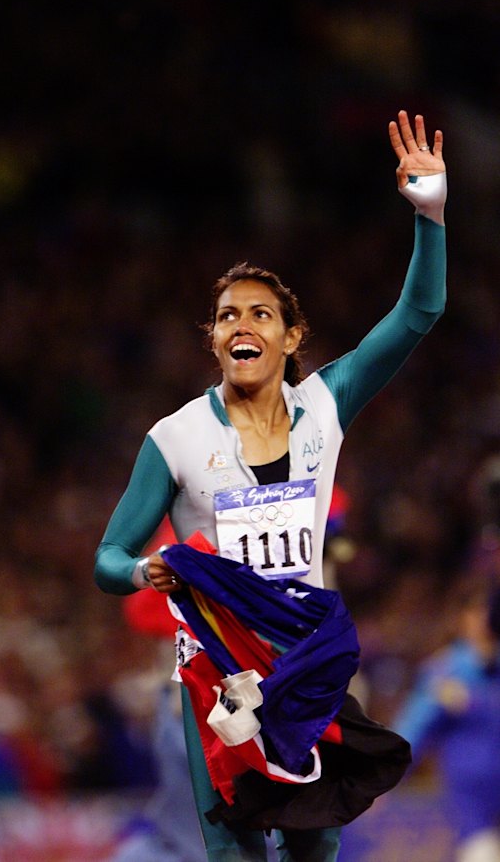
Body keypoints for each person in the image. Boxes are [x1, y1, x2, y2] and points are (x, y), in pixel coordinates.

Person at [95, 110, 447, 862]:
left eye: (261, 313)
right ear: (215, 339)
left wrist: (430, 216)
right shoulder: (175, 437)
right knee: (233, 854)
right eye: (226, 316)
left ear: (291, 339)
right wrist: (142, 570)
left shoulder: (327, 402)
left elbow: (420, 312)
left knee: (317, 846)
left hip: (304, 659)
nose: (240, 324)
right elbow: (107, 558)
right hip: (219, 670)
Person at [393, 583, 500, 862]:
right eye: (476, 612)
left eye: (488, 611)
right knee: (482, 854)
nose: (484, 619)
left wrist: (475, 703)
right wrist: (388, 773)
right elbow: (414, 726)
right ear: (464, 618)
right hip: (474, 799)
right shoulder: (446, 669)